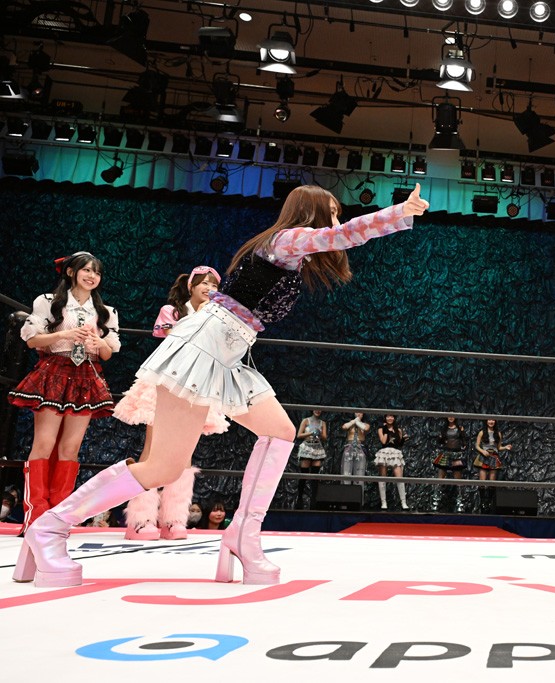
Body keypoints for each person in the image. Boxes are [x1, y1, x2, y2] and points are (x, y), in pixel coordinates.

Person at [14, 183, 429, 588]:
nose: (336, 220)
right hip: (204, 347)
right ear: (313, 213)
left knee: (280, 432)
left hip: (230, 352)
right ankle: (51, 526)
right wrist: (399, 213)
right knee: (163, 467)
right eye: (332, 212)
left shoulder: (289, 252)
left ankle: (242, 536)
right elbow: (341, 235)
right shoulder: (286, 240)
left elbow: (332, 239)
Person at [8, 252, 120, 530]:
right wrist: (64, 335)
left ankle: (58, 518)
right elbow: (32, 341)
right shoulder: (48, 301)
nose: (92, 276)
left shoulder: (105, 311)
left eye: (97, 272)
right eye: (86, 270)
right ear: (71, 272)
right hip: (55, 372)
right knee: (44, 443)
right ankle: (35, 515)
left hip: (86, 377)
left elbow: (108, 354)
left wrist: (98, 343)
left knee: (70, 448)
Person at [114, 265, 225, 541]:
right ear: (191, 286)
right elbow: (171, 338)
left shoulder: (217, 315)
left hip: (198, 385)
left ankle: (174, 520)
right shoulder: (172, 312)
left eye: (214, 285)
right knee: (152, 449)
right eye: (204, 283)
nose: (209, 289)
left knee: (185, 454)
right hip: (166, 382)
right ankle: (140, 520)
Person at [474, 418, 512, 512]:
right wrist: (482, 451)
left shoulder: (498, 433)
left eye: (493, 420)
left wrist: (505, 447)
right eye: (489, 420)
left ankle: (489, 502)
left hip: (494, 457)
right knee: (482, 482)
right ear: (486, 421)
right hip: (484, 457)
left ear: (495, 422)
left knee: (492, 482)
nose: (491, 422)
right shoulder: (482, 432)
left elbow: (498, 447)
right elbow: (477, 445)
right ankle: (482, 502)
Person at [432, 416, 468, 511]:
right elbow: (439, 441)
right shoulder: (444, 429)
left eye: (452, 416)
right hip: (446, 453)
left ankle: (460, 503)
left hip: (456, 454)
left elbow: (464, 442)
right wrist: (440, 438)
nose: (451, 417)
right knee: (440, 478)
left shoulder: (460, 428)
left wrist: (463, 442)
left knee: (458, 480)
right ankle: (435, 501)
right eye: (449, 415)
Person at [375, 414, 409, 510]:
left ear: (394, 418)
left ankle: (403, 502)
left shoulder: (398, 430)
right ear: (385, 418)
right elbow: (383, 441)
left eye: (392, 416)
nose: (390, 418)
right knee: (382, 477)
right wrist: (386, 430)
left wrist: (404, 439)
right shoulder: (381, 429)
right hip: (384, 452)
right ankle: (383, 502)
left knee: (399, 478)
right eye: (388, 416)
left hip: (395, 453)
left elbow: (400, 444)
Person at [295, 410, 328, 509]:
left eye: (319, 409)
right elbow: (299, 435)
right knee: (304, 475)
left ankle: (314, 500)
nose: (317, 411)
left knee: (315, 476)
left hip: (317, 448)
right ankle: (299, 499)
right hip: (307, 447)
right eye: (315, 409)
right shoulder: (306, 420)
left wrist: (319, 433)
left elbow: (325, 437)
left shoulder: (322, 423)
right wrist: (310, 433)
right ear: (312, 410)